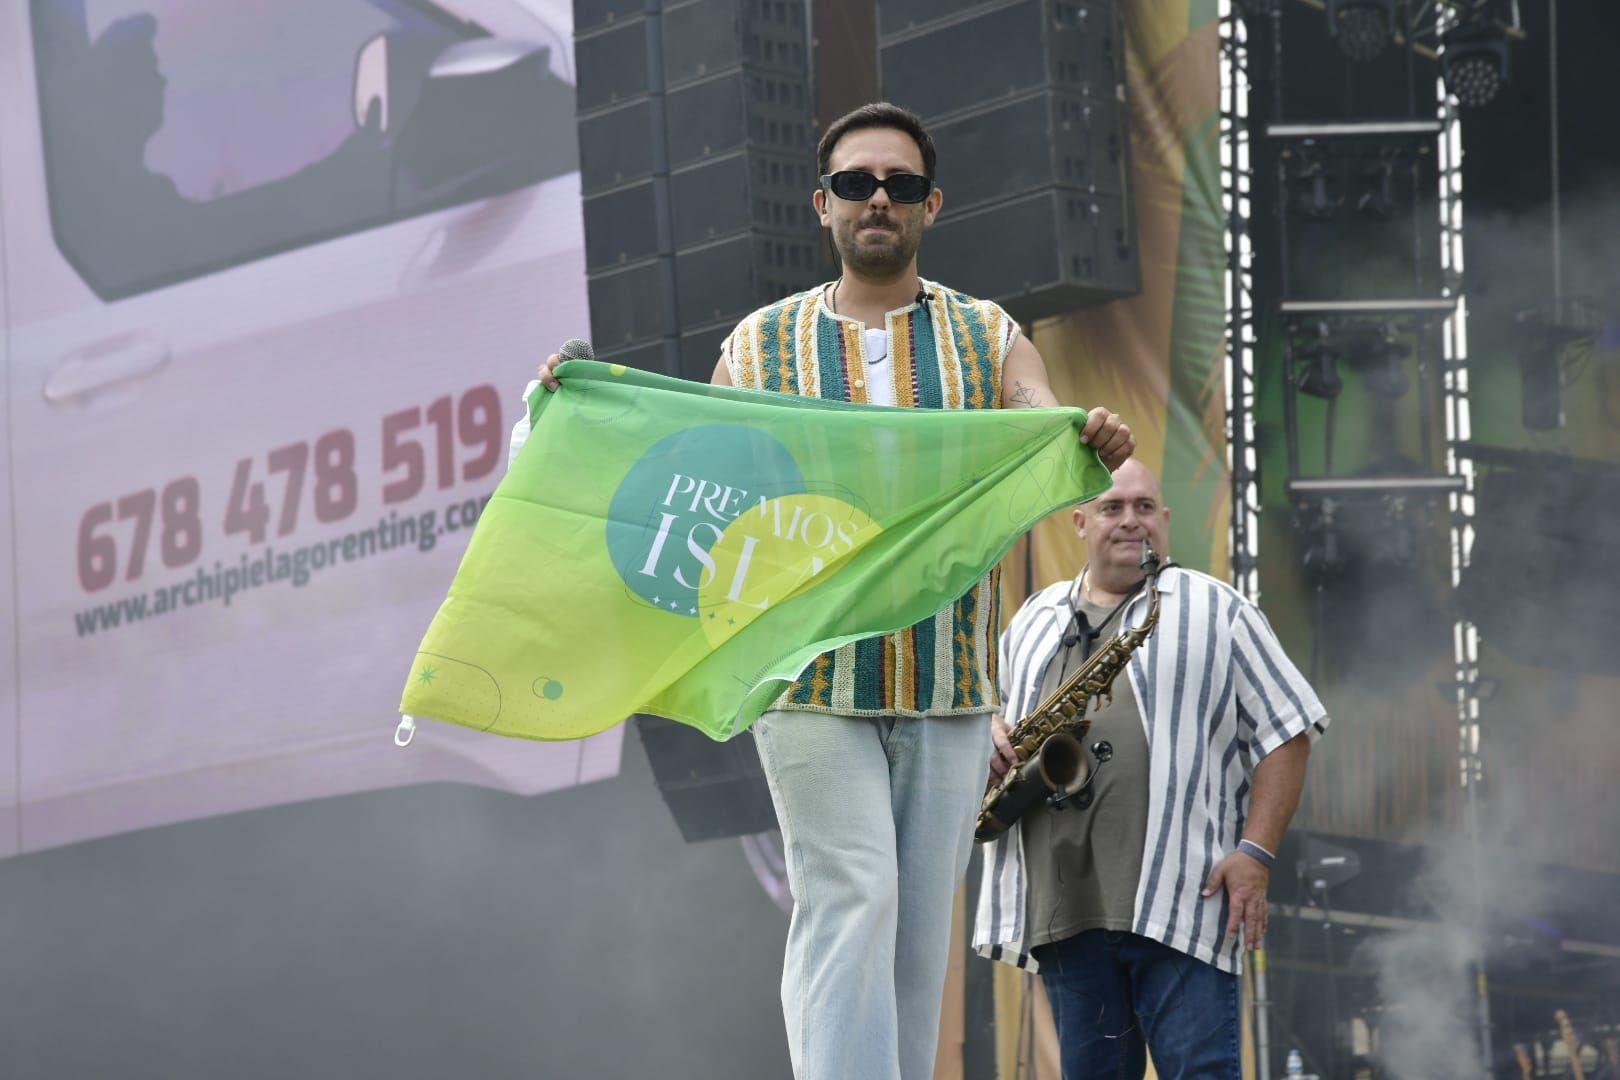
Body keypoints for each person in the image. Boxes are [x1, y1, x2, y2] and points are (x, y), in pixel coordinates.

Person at [534, 102, 1134, 1080]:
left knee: (911, 934)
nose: (879, 199)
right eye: (857, 183)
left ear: (931, 205)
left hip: (945, 681)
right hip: (810, 671)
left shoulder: (985, 334)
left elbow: (1041, 417)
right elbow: (701, 468)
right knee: (849, 890)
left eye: (899, 184)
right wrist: (587, 408)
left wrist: (1088, 435)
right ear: (823, 205)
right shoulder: (761, 344)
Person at [973, 460, 1328, 1079]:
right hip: (1064, 912)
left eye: (1144, 507)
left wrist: (1256, 853)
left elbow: (1289, 731)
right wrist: (991, 733)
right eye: (1113, 507)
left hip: (1183, 902)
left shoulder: (1221, 609)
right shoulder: (1030, 620)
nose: (1130, 520)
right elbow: (997, 727)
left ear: (1164, 521)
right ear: (1080, 521)